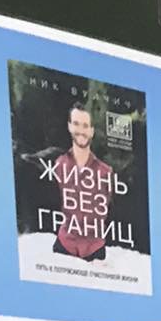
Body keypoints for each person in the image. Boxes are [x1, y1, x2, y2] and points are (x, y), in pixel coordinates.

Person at [50, 104, 110, 264]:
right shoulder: (58, 165)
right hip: (64, 246)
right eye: (76, 124)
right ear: (69, 126)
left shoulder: (105, 172)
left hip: (95, 251)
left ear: (92, 131)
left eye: (85, 125)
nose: (81, 130)